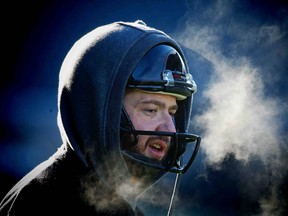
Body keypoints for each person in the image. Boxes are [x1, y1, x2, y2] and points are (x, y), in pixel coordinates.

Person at [0, 20, 200, 215]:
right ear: (100, 109)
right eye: (150, 110)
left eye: (172, 112)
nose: (169, 129)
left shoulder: (117, 204)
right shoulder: (43, 202)